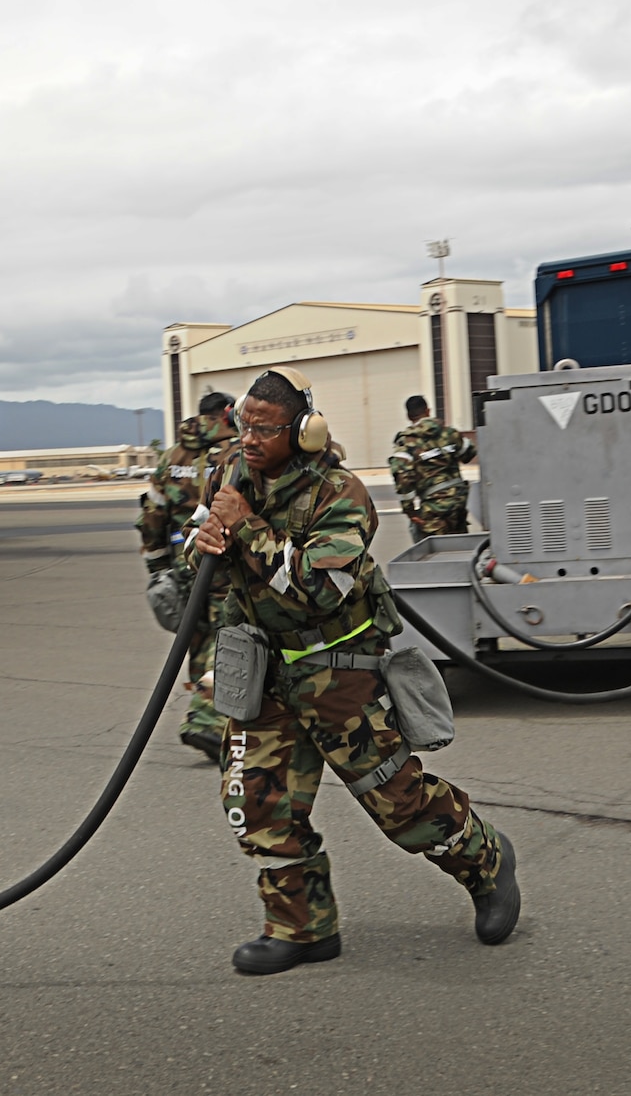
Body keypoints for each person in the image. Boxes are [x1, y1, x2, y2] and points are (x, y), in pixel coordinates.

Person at [191, 368, 518, 975]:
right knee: (256, 804)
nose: (250, 439)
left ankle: (487, 861)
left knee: (401, 806)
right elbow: (201, 555)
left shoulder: (339, 494)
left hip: (337, 673)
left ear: (304, 432)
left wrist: (247, 529)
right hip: (264, 670)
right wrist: (206, 538)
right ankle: (302, 927)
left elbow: (318, 588)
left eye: (264, 429)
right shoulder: (227, 475)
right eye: (243, 425)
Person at [135, 390, 239, 761]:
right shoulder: (234, 453)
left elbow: (151, 516)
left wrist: (158, 568)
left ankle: (213, 721)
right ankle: (205, 721)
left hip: (185, 565)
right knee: (229, 640)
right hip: (225, 565)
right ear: (227, 414)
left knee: (199, 644)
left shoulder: (172, 457)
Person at [389, 394, 476, 542]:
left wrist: (410, 511)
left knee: (435, 553)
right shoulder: (449, 433)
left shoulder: (406, 443)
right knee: (460, 547)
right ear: (428, 411)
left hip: (433, 508)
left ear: (409, 416)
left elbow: (403, 478)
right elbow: (468, 454)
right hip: (458, 502)